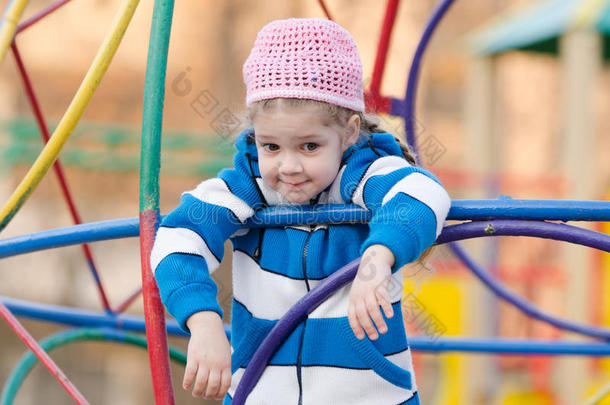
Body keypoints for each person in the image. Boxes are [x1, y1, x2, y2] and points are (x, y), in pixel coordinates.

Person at [151, 18, 451, 404]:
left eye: (309, 146)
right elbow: (177, 238)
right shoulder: (250, 185)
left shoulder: (363, 175)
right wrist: (203, 321)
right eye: (271, 146)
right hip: (260, 393)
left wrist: (378, 257)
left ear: (348, 133)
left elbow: (422, 192)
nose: (288, 166)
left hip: (370, 396)